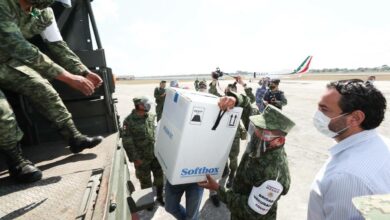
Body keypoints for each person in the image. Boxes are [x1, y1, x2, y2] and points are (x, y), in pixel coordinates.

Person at [0, 0, 103, 183]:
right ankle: (17, 163)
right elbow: (19, 47)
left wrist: (83, 71)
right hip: (12, 53)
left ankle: (74, 138)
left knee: (42, 88)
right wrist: (68, 77)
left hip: (6, 61)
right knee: (3, 113)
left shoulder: (44, 13)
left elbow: (58, 45)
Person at [308, 79, 390, 220]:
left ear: (355, 118)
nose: (317, 115)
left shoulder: (346, 177)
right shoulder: (381, 144)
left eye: (324, 109)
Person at [199, 101, 295, 220]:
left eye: (262, 132)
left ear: (279, 141)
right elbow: (246, 109)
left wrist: (218, 189)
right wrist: (234, 99)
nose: (256, 133)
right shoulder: (262, 145)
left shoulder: (274, 176)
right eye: (257, 128)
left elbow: (250, 211)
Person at [122, 96, 164, 206]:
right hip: (141, 158)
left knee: (160, 177)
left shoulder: (151, 116)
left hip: (155, 155)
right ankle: (148, 202)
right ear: (140, 105)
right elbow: (127, 142)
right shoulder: (128, 121)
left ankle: (160, 196)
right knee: (145, 181)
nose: (149, 106)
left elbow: (156, 133)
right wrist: (135, 158)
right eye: (146, 104)